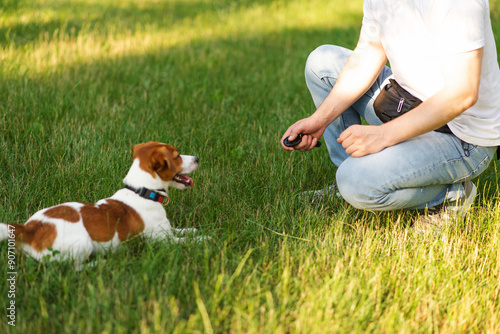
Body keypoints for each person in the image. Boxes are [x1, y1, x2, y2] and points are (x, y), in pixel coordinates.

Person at [281, 0, 500, 228]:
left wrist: (382, 135)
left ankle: (449, 194)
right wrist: (320, 120)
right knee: (322, 62)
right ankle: (361, 175)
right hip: (404, 102)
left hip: (461, 135)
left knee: (354, 183)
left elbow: (462, 93)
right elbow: (368, 54)